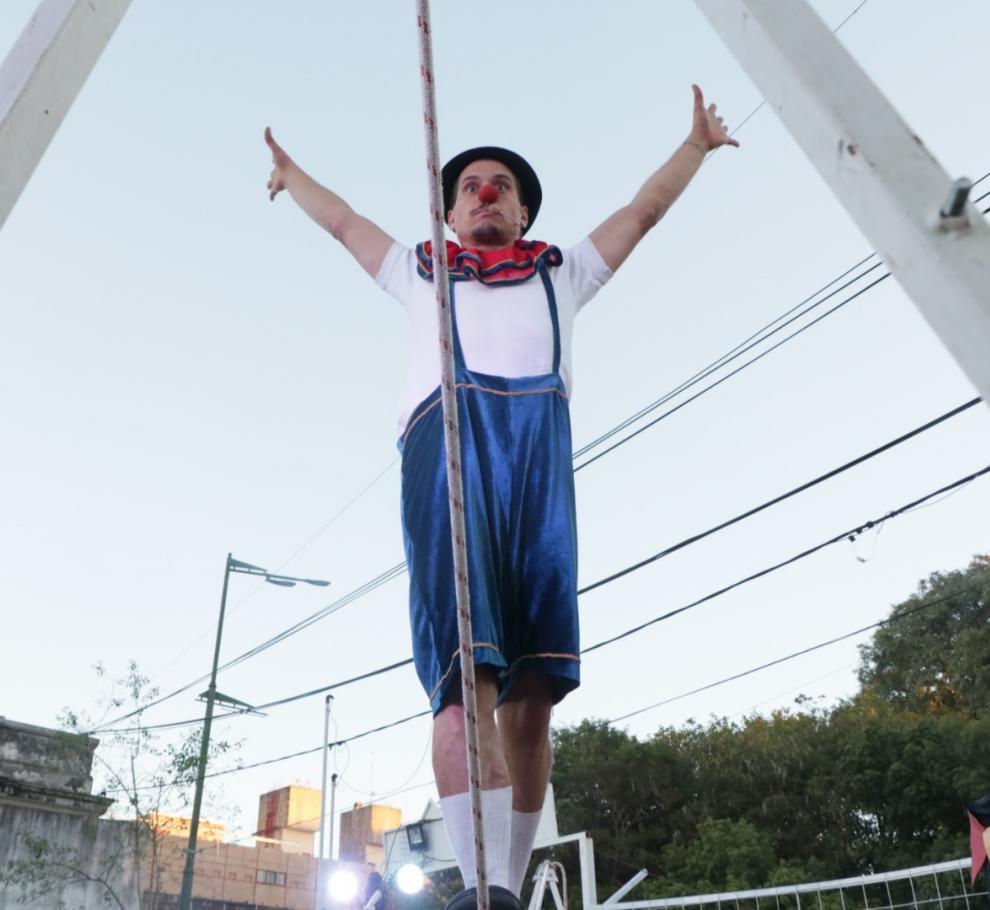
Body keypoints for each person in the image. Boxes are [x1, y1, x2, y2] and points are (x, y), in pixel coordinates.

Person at [265, 85, 738, 902]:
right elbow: (344, 221)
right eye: (470, 187)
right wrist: (291, 173)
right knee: (466, 680)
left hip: (537, 455)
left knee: (532, 696)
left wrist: (694, 146)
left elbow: (644, 210)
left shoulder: (565, 274)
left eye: (502, 187)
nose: (486, 193)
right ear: (450, 214)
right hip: (448, 443)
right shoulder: (418, 273)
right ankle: (481, 881)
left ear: (521, 213)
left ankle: (507, 887)